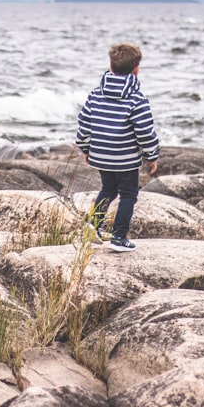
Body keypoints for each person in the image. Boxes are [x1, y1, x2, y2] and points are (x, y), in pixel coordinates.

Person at [75, 42, 160, 252]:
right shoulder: (136, 99)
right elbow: (145, 132)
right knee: (128, 195)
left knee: (108, 189)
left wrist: (85, 148)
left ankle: (93, 227)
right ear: (136, 69)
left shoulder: (96, 94)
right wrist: (152, 154)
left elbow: (84, 124)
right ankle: (119, 237)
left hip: (102, 156)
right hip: (126, 159)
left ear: (110, 67)